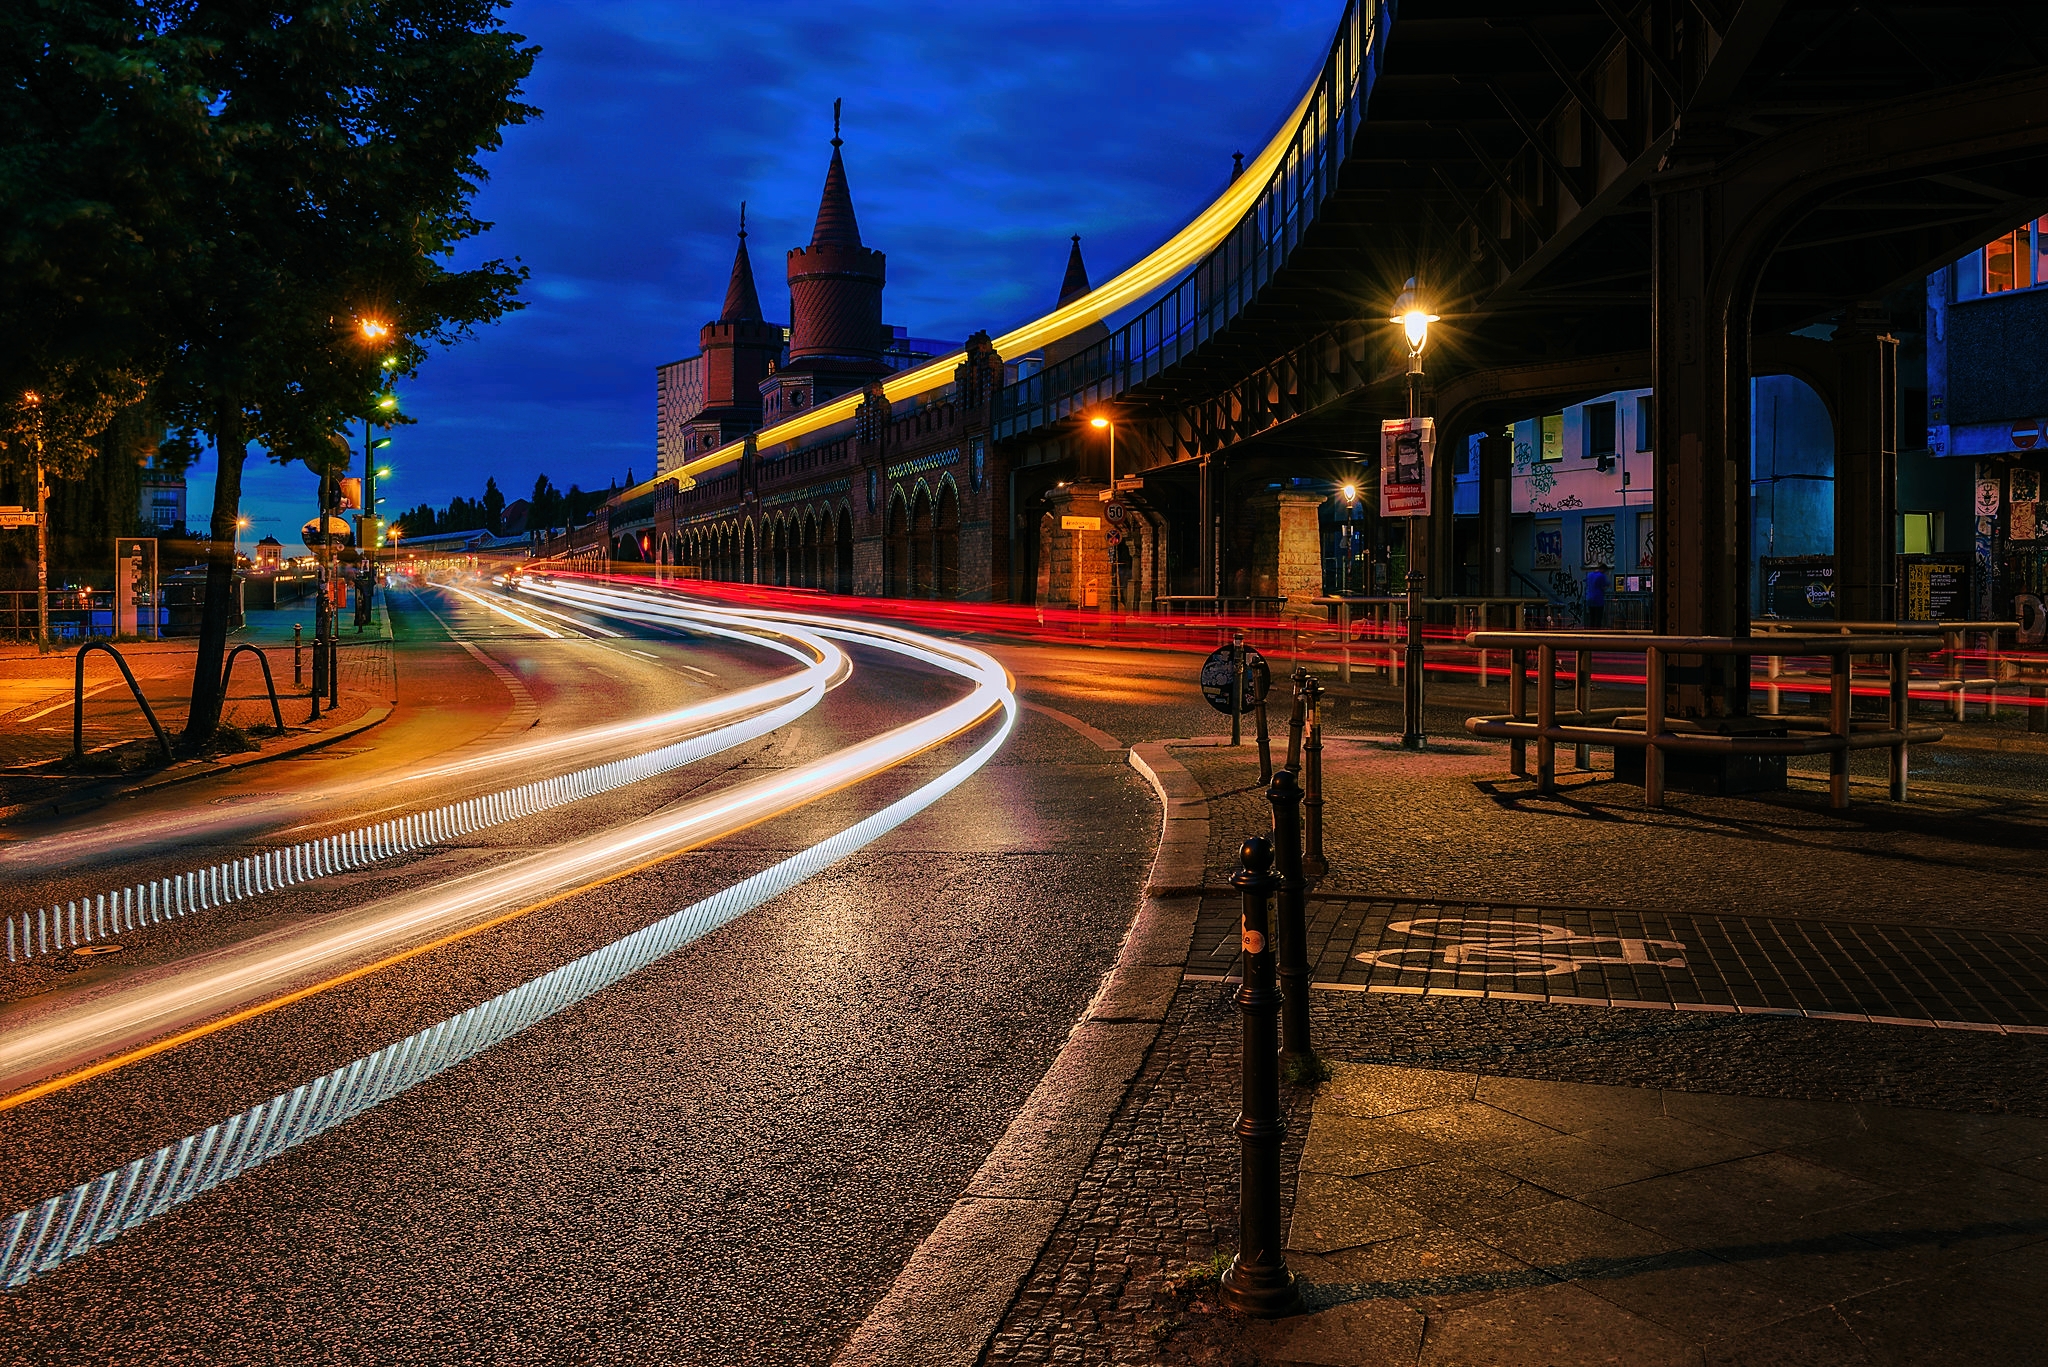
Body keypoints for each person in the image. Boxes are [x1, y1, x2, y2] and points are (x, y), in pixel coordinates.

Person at [1584, 564, 1609, 628]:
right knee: (1598, 617)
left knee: (1592, 617)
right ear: (1603, 569)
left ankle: (1591, 632)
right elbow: (1605, 585)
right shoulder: (1601, 576)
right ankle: (1597, 631)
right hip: (1598, 599)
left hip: (1589, 598)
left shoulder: (1589, 575)